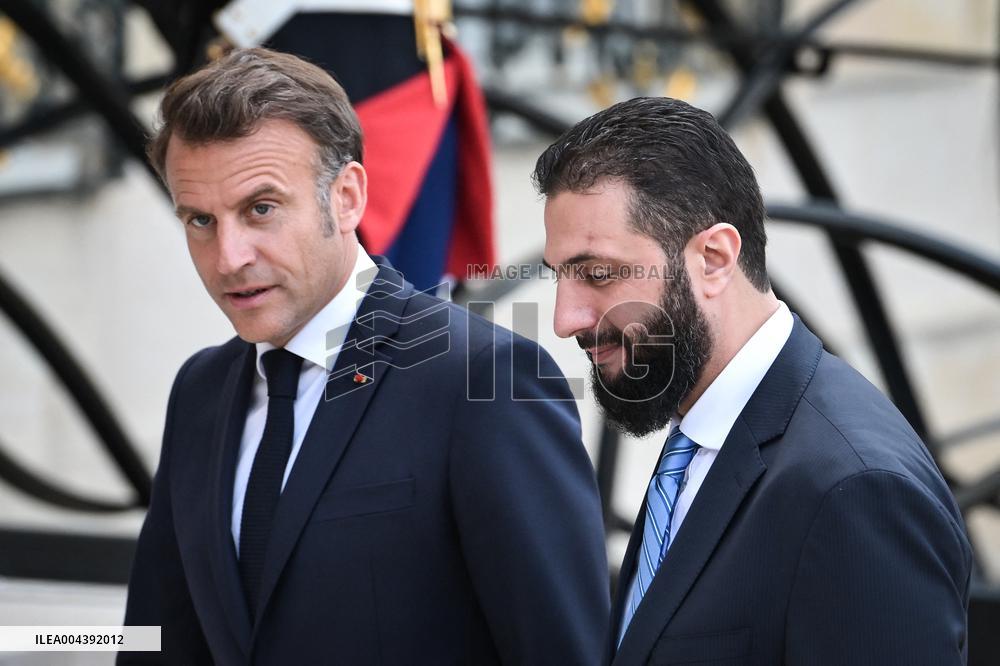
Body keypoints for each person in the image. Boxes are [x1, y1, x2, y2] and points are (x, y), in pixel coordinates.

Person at [119, 47, 609, 665]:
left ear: (347, 196)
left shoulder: (485, 381)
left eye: (260, 208)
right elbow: (157, 641)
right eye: (199, 220)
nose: (228, 256)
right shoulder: (200, 391)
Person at [534, 96, 972, 665]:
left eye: (597, 274)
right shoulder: (702, 437)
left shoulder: (856, 489)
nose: (566, 319)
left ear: (714, 258)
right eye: (561, 278)